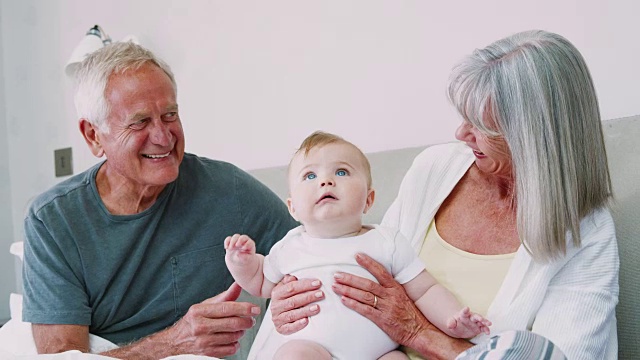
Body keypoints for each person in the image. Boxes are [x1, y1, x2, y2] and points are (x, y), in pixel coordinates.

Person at [262, 30, 619, 360]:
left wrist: (419, 332)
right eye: (465, 117)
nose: (461, 133)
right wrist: (292, 296)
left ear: (537, 136)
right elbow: (370, 275)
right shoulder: (435, 168)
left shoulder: (587, 233)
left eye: (482, 125)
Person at [22, 41, 298, 359]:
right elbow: (63, 357)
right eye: (140, 122)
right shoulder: (52, 221)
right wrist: (174, 342)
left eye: (170, 115)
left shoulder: (229, 190)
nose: (163, 137)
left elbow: (314, 256)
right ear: (93, 136)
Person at [226, 131, 491, 360]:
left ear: (368, 199)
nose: (325, 181)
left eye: (341, 172)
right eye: (309, 175)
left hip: (380, 354)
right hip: (314, 350)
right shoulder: (290, 246)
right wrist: (241, 262)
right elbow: (261, 282)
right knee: (293, 355)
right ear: (293, 207)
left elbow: (425, 290)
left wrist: (453, 320)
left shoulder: (387, 241)